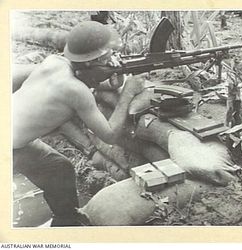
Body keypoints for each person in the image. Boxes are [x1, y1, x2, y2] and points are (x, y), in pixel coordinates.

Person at [12, 21, 144, 226]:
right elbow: (110, 136)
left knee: (59, 169)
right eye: (108, 57)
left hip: (13, 139)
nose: (113, 61)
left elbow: (84, 80)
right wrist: (127, 93)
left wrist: (113, 80)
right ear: (92, 61)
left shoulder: (55, 62)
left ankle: (67, 223)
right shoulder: (76, 91)